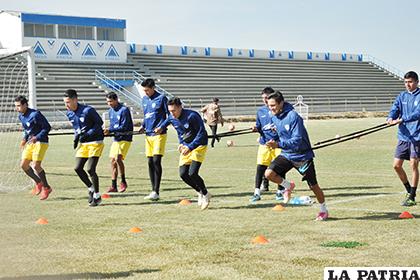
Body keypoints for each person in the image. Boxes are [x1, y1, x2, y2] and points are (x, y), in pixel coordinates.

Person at [264, 91, 328, 221]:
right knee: (269, 174)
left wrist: (278, 144)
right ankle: (288, 186)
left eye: (273, 105)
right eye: (269, 106)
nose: (271, 108)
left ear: (281, 103)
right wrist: (272, 139)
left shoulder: (294, 117)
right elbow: (280, 134)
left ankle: (323, 210)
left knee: (313, 186)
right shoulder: (274, 117)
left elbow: (297, 139)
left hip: (302, 156)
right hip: (287, 154)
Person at [155, 97, 211, 210]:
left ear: (180, 107)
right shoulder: (171, 117)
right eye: (170, 111)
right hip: (186, 147)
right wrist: (180, 143)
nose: (172, 113)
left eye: (174, 110)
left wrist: (190, 147)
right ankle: (199, 191)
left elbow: (202, 134)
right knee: (183, 174)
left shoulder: (192, 116)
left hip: (198, 146)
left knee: (192, 173)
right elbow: (175, 128)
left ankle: (205, 194)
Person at [63, 89, 104, 207]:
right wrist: (76, 137)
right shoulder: (69, 113)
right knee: (77, 168)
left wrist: (88, 134)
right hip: (84, 144)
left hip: (96, 141)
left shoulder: (88, 110)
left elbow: (99, 123)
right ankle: (91, 188)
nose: (66, 105)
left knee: (90, 169)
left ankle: (97, 195)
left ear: (75, 99)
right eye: (65, 102)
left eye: (68, 102)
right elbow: (77, 128)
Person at [387, 71, 420, 207]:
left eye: (410, 82)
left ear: (417, 82)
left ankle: (412, 196)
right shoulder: (402, 96)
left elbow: (417, 113)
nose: (408, 85)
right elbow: (395, 108)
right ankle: (408, 190)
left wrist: (402, 119)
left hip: (417, 135)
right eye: (406, 82)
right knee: (396, 165)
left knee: (413, 164)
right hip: (403, 136)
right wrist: (390, 118)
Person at [249, 87, 285, 202]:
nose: (265, 100)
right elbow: (259, 127)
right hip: (265, 144)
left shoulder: (280, 110)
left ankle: (280, 192)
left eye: (266, 98)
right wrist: (256, 128)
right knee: (260, 168)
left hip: (278, 144)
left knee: (280, 169)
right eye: (263, 98)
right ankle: (257, 192)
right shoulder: (260, 111)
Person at [15, 95, 52, 200]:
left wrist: (37, 137)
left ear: (25, 105)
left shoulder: (35, 114)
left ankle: (46, 187)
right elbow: (27, 130)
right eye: (16, 106)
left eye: (18, 106)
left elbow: (47, 127)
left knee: (36, 165)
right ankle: (38, 182)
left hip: (41, 142)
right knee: (23, 165)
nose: (17, 108)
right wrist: (24, 139)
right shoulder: (21, 116)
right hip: (31, 142)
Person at [139, 78, 169, 201]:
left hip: (159, 135)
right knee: (150, 162)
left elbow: (170, 115)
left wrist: (162, 126)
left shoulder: (162, 98)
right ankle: (153, 191)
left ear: (153, 88)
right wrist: (143, 126)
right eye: (144, 90)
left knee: (156, 160)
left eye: (147, 90)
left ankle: (156, 191)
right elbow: (146, 116)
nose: (145, 92)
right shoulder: (144, 99)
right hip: (148, 135)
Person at [104, 92, 133, 193]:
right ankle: (113, 186)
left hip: (125, 138)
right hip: (116, 139)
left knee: (118, 158)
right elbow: (113, 126)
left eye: (111, 101)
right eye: (108, 102)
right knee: (112, 161)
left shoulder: (124, 110)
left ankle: (123, 182)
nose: (109, 103)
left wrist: (110, 130)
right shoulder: (110, 111)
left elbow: (124, 126)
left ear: (116, 99)